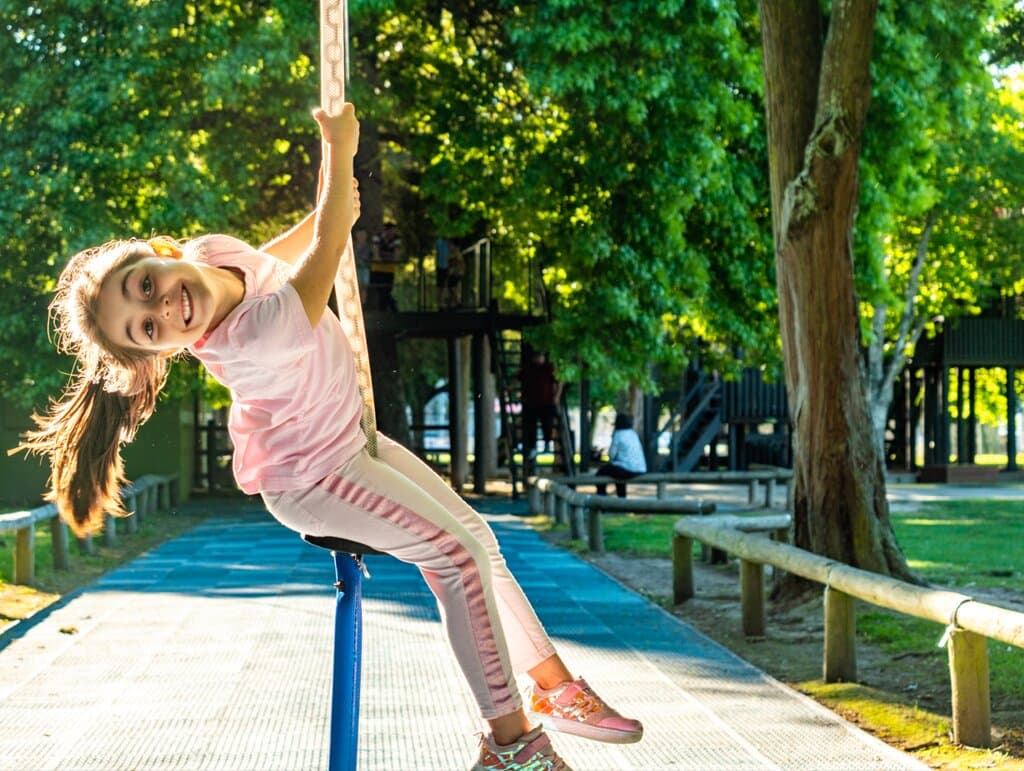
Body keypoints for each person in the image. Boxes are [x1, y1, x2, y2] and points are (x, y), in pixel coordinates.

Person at [15, 104, 641, 771]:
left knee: (477, 540)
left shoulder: (210, 253)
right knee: (454, 557)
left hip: (348, 434)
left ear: (161, 252)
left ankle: (555, 687)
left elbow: (294, 244)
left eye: (146, 284)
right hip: (311, 476)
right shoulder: (252, 338)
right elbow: (326, 251)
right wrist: (338, 153)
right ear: (165, 351)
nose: (164, 306)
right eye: (147, 327)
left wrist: (329, 200)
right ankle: (511, 744)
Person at [518, 349, 562, 470]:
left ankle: (547, 443)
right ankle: (532, 447)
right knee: (530, 426)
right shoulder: (528, 369)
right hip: (531, 403)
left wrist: (557, 397)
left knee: (547, 423)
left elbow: (559, 382)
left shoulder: (549, 368)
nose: (538, 359)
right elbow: (518, 379)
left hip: (546, 403)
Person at [596, 413, 647, 497]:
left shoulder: (618, 434)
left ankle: (602, 499)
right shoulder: (633, 434)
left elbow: (611, 455)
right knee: (618, 473)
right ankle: (622, 498)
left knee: (601, 473)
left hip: (628, 469)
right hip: (641, 469)